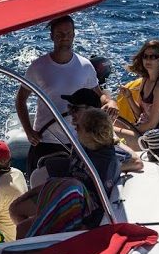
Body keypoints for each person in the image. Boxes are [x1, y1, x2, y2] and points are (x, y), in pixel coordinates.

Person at [16, 15, 118, 172]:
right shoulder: (38, 67)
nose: (65, 38)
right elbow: (20, 100)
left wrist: (110, 101)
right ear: (51, 36)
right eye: (60, 34)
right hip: (46, 140)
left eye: (69, 34)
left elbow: (99, 95)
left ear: (74, 34)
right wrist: (29, 131)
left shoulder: (85, 66)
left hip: (80, 139)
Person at [117, 39, 159, 151]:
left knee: (106, 131)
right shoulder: (145, 79)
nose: (148, 60)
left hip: (154, 143)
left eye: (153, 57)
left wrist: (132, 128)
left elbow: (151, 125)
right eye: (145, 56)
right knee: (106, 121)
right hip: (142, 133)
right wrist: (129, 97)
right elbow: (140, 113)